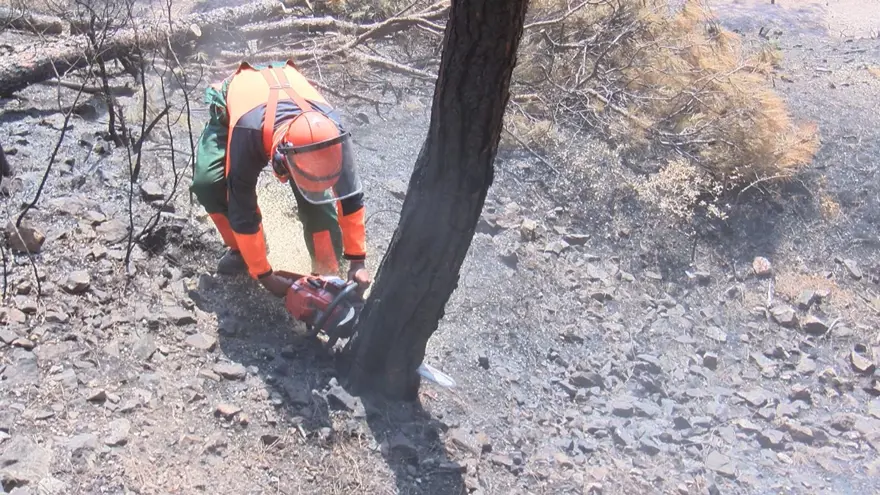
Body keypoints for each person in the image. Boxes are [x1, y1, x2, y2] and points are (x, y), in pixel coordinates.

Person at [190, 60, 371, 298]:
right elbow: (242, 208)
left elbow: (351, 199)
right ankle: (242, 254)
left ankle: (327, 271)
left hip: (293, 106)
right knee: (210, 185)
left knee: (316, 202)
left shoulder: (332, 135)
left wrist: (357, 260)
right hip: (238, 105)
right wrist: (265, 276)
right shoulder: (247, 136)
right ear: (281, 161)